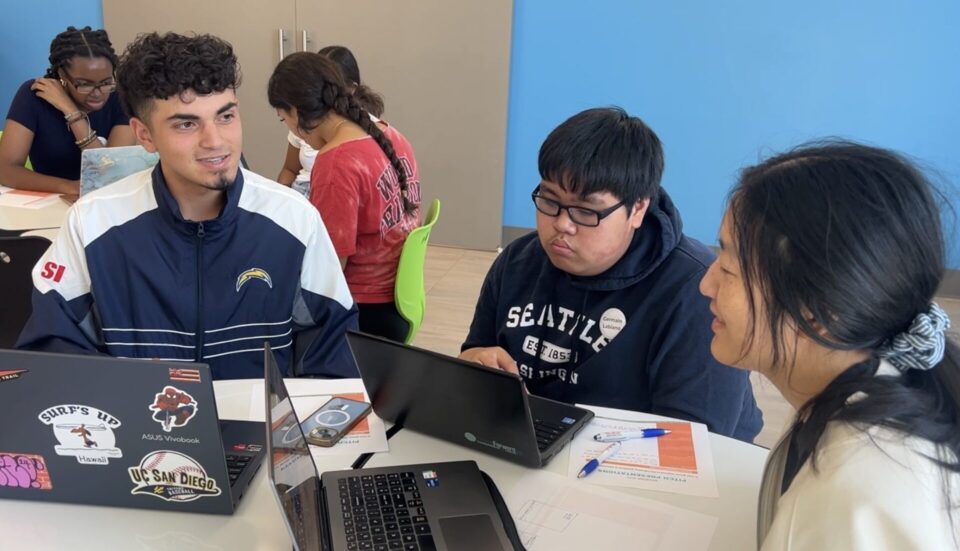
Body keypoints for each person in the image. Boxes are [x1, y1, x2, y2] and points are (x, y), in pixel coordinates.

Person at [16, 32, 358, 380]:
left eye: (225, 117)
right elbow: (51, 354)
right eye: (186, 123)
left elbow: (335, 352)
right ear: (145, 135)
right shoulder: (92, 225)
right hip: (140, 427)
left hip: (263, 430)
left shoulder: (294, 221)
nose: (216, 142)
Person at [699, 141, 960, 549]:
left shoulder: (856, 492)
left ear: (815, 308)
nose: (706, 283)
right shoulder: (870, 391)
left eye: (729, 267)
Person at [460, 107, 762, 442]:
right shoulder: (518, 260)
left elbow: (692, 442)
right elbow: (477, 350)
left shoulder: (694, 290)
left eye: (586, 211)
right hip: (532, 443)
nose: (562, 224)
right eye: (549, 200)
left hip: (641, 465)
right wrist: (475, 364)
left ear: (638, 209)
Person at [269, 52, 421, 342]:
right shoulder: (391, 135)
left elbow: (330, 269)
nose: (289, 128)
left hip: (362, 314)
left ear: (297, 111)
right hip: (396, 306)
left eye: (283, 118)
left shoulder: (336, 162)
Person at [0, 26, 135, 195]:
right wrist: (68, 187)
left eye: (106, 82)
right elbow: (6, 170)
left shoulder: (121, 97)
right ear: (62, 76)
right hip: (50, 203)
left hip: (109, 202)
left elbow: (110, 173)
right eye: (85, 84)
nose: (98, 93)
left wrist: (73, 113)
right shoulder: (34, 94)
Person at [276, 45, 385, 198]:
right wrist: (284, 199)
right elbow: (289, 169)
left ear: (352, 89)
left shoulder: (335, 159)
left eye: (331, 90)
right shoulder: (302, 120)